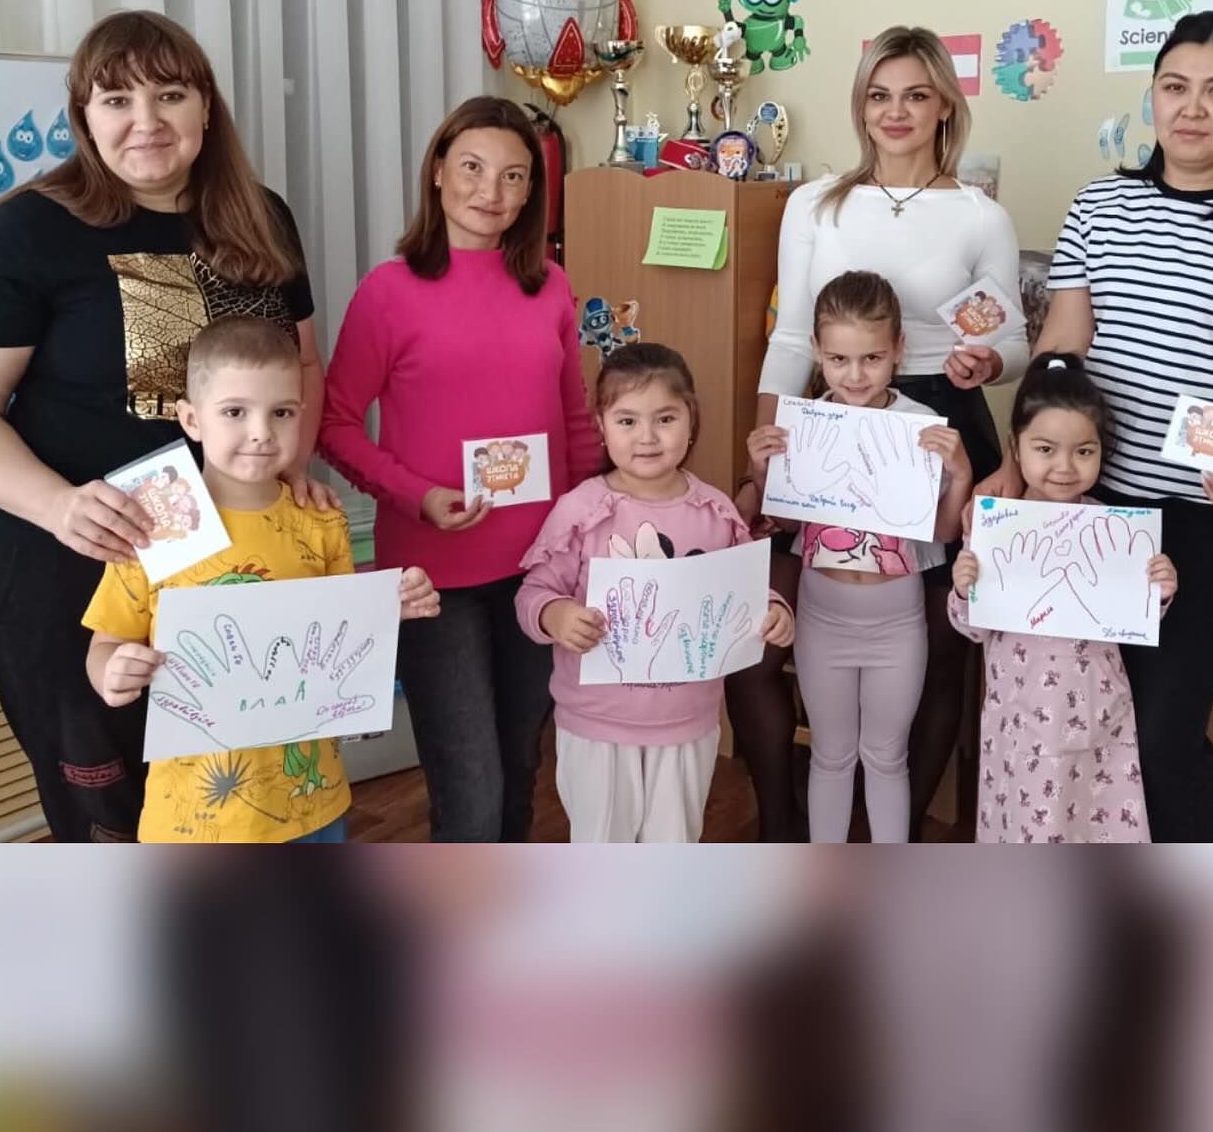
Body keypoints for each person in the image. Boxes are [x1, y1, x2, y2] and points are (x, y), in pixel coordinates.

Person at [977, 12, 1213, 841]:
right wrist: (1015, 463)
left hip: (1206, 515)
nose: (1193, 108)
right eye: (1175, 87)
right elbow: (1062, 346)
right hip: (1088, 504)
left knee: (1164, 735)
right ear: (1152, 97)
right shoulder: (1101, 206)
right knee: (1079, 724)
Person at [0, 10, 327, 842]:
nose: (145, 121)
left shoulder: (262, 217)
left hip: (237, 566)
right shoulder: (30, 228)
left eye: (170, 95)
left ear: (206, 106)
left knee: (243, 802)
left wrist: (289, 470)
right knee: (112, 821)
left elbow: (302, 365)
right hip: (79, 575)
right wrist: (58, 505)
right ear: (84, 116)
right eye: (117, 100)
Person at [732, 24, 1028, 839]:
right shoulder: (816, 203)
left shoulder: (979, 214)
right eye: (879, 95)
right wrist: (764, 468)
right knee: (761, 637)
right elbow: (792, 337)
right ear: (860, 106)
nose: (895, 112)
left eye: (916, 95)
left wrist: (988, 363)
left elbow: (1012, 339)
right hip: (829, 421)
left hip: (940, 425)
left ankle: (894, 834)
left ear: (945, 107)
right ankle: (783, 824)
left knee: (938, 647)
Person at [319, 95, 603, 842]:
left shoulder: (551, 284)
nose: (491, 192)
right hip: (431, 578)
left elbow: (574, 419)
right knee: (470, 792)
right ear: (438, 171)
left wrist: (590, 533)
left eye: (514, 176)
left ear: (533, 191)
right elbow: (332, 422)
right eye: (473, 168)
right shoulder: (389, 291)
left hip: (539, 568)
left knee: (518, 776)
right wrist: (418, 497)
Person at [81, 316, 438, 841]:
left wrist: (389, 608)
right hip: (197, 818)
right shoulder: (154, 527)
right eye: (234, 412)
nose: (261, 432)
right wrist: (113, 673)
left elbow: (339, 640)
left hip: (314, 801)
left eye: (282, 412)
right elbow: (106, 642)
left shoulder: (321, 520)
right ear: (191, 418)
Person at [515, 343, 794, 843]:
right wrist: (555, 615)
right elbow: (534, 592)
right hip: (596, 725)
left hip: (688, 723)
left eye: (665, 418)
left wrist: (774, 610)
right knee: (602, 852)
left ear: (691, 421)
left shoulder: (716, 512)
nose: (647, 437)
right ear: (601, 426)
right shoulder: (580, 511)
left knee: (673, 845)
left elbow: (746, 589)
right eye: (627, 421)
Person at [746, 272, 971, 843]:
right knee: (831, 754)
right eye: (839, 359)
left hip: (898, 624)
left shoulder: (919, 426)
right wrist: (762, 472)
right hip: (822, 617)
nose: (855, 375)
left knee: (887, 757)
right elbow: (791, 525)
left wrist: (961, 473)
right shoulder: (803, 426)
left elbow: (942, 533)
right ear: (817, 352)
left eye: (872, 358)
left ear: (898, 350)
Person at [950, 353, 1176, 842]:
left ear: (1102, 451)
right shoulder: (995, 527)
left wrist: (1159, 590)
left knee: (1097, 817)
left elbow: (1133, 615)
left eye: (1084, 451)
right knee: (1027, 824)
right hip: (1019, 715)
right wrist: (964, 587)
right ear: (1016, 447)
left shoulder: (1114, 529)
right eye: (1045, 449)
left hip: (1098, 710)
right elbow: (971, 627)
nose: (1064, 467)